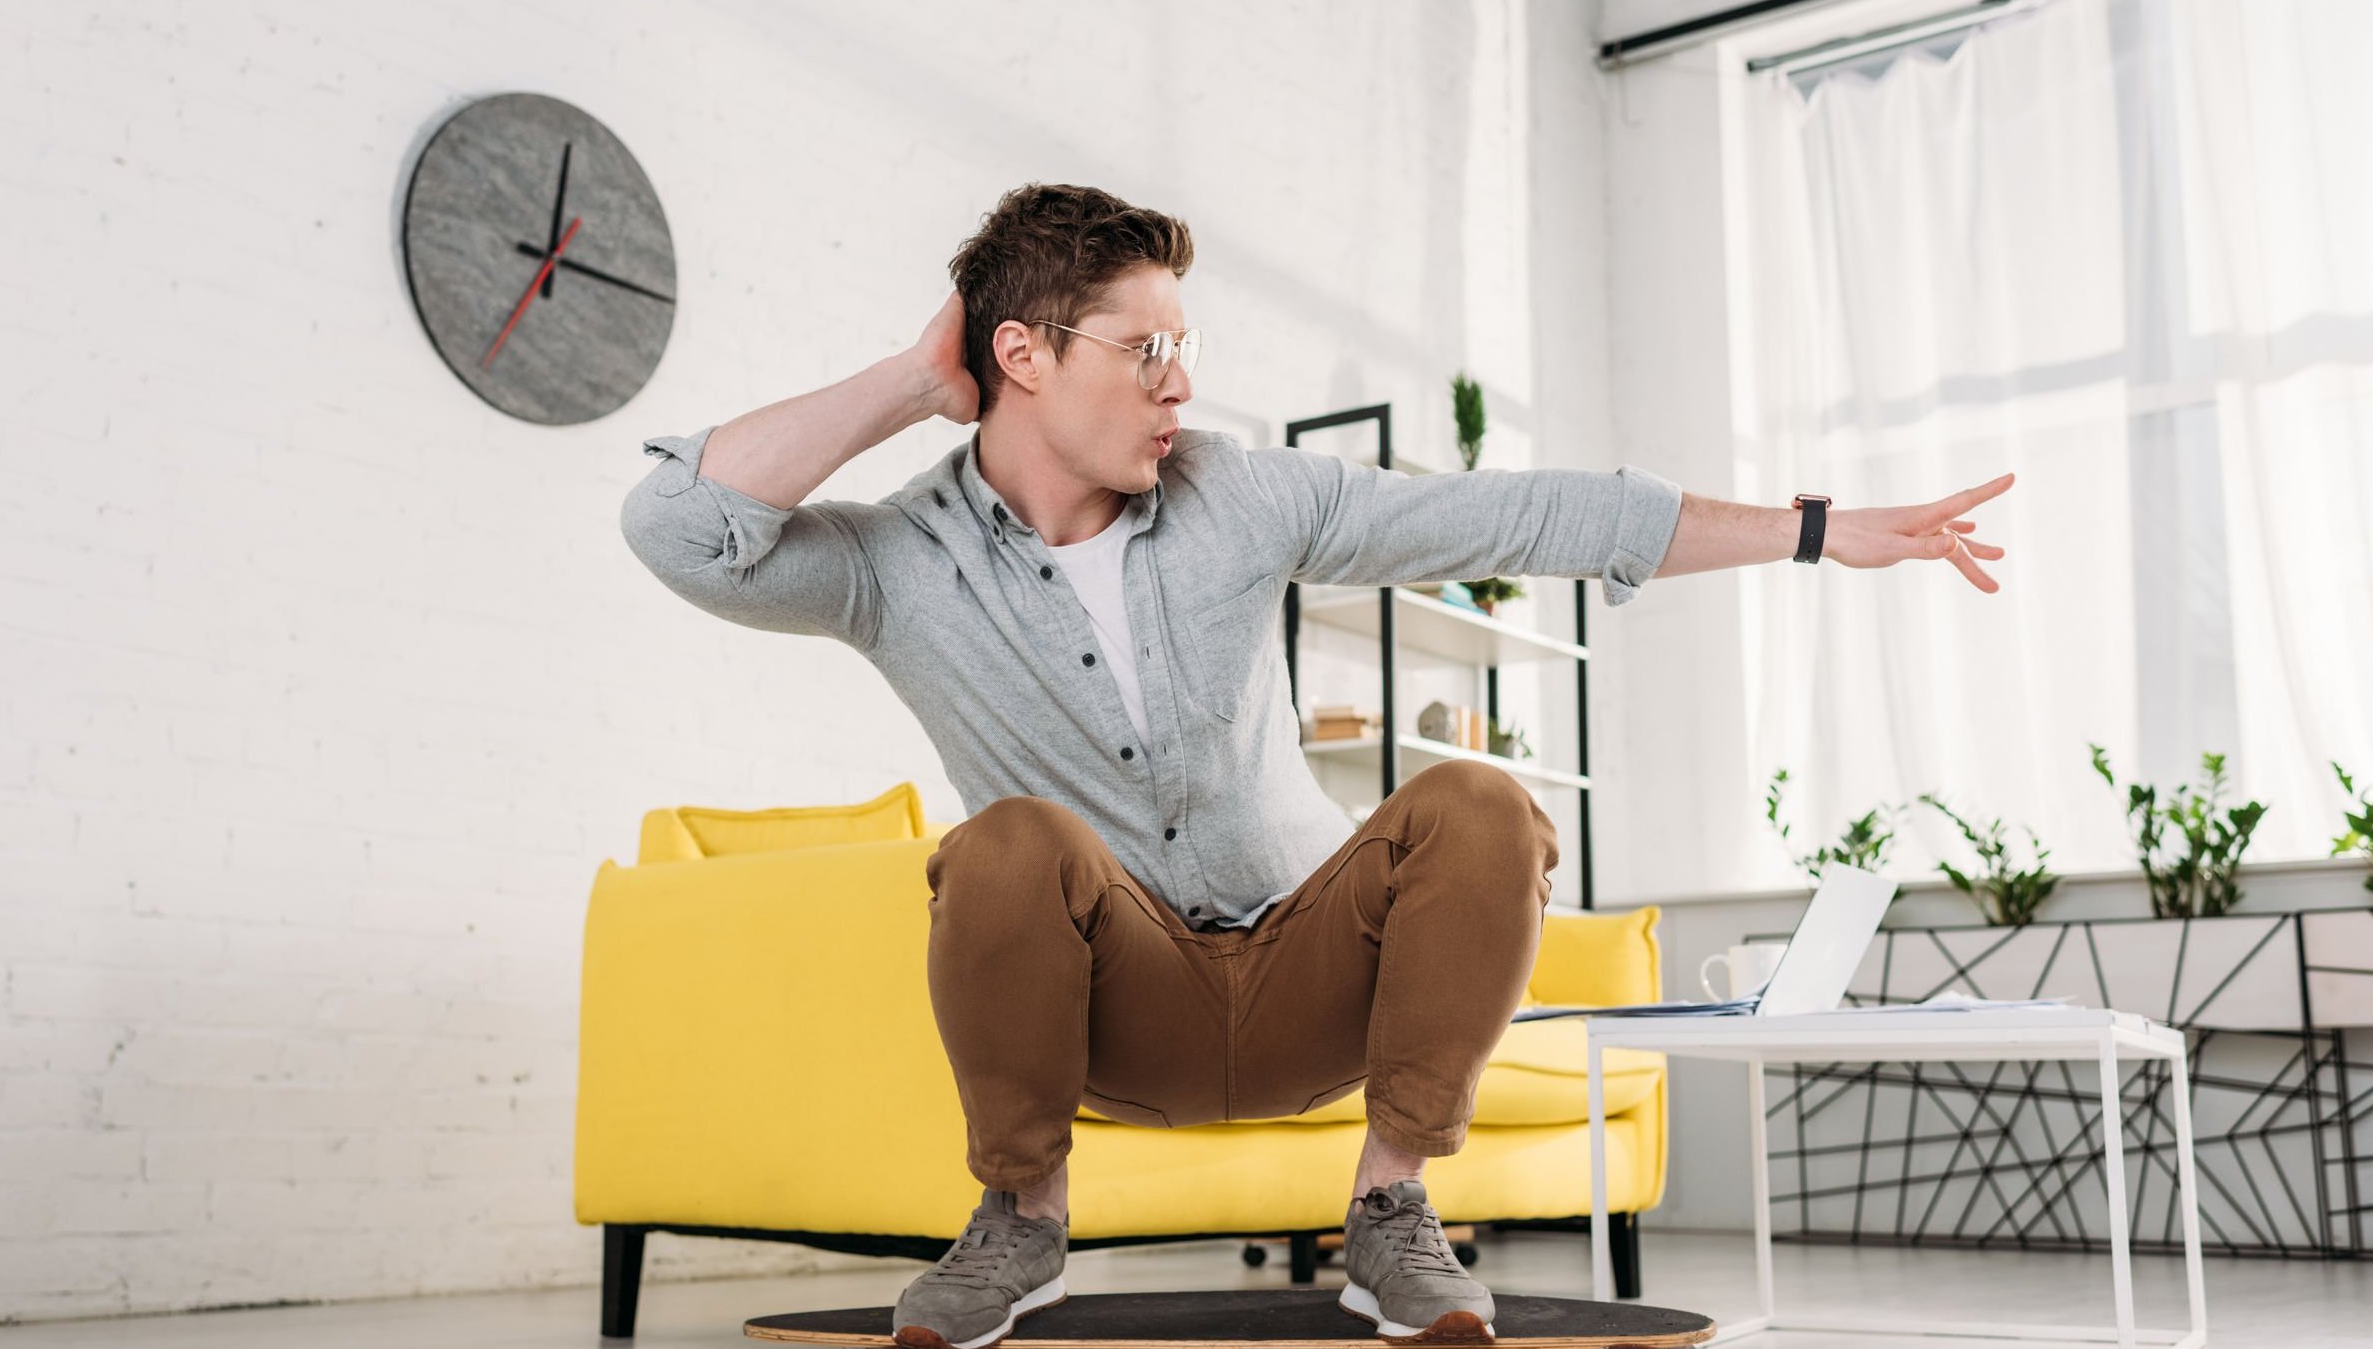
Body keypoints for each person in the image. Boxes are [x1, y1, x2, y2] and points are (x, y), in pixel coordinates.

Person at [620, 182, 2012, 1349]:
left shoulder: (1240, 494)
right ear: (1023, 353)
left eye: (1187, 341)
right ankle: (1021, 1221)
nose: (1183, 379)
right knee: (1005, 841)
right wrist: (912, 381)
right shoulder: (893, 565)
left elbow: (1522, 510)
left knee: (1479, 803)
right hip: (1123, 1013)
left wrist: (1814, 527)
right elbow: (679, 527)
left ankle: (1395, 1212)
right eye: (1143, 347)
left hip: (1310, 978)